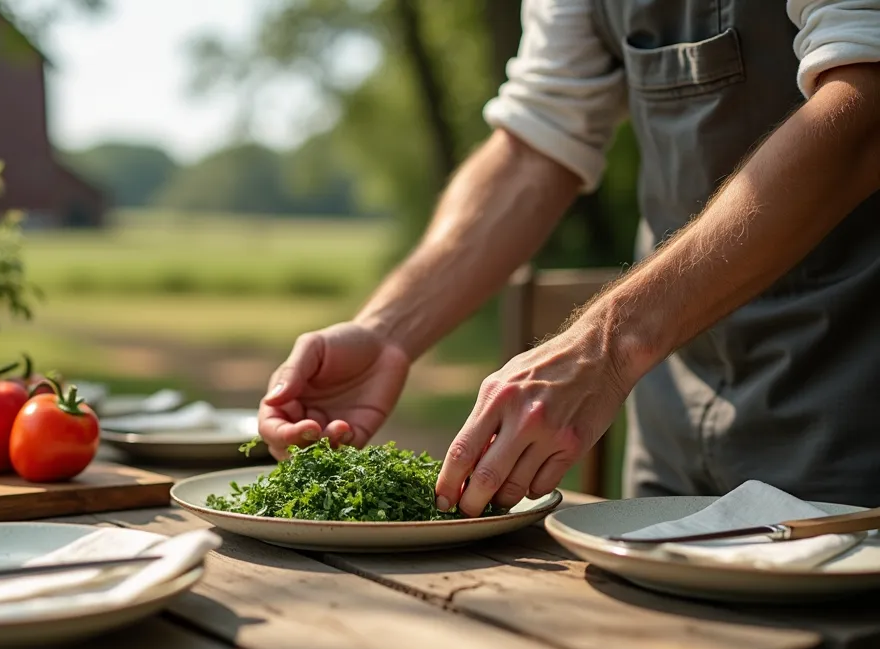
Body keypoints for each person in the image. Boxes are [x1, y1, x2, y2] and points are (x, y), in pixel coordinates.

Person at [257, 0, 880, 516]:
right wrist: (386, 332)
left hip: (851, 405)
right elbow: (540, 136)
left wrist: (607, 344)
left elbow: (867, 101)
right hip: (672, 410)